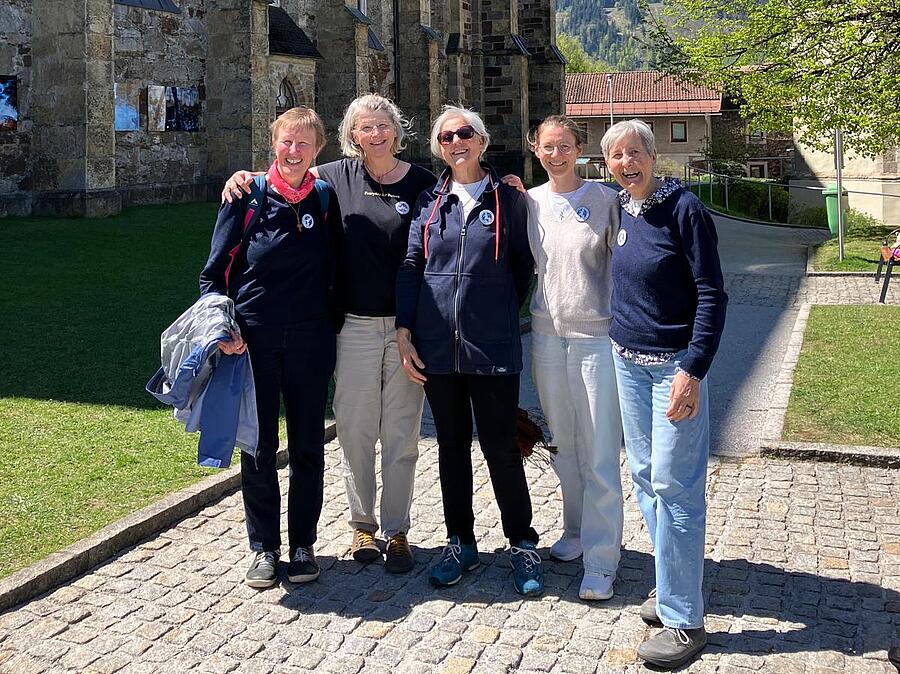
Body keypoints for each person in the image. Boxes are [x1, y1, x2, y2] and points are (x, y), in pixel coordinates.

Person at [222, 94, 435, 573]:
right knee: (355, 431)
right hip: (350, 325)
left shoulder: (424, 183)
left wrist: (506, 184)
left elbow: (463, 195)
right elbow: (287, 171)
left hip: (405, 327)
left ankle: (396, 531)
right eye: (365, 127)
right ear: (351, 136)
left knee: (400, 433)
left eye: (383, 126)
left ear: (397, 130)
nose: (375, 134)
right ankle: (361, 526)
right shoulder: (334, 177)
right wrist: (244, 178)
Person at [395, 105, 543, 596]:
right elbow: (413, 265)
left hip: (491, 346)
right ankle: (461, 541)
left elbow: (523, 267)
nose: (455, 143)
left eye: (463, 134)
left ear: (481, 141)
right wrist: (404, 328)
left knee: (501, 447)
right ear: (439, 148)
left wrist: (495, 310)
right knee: (451, 448)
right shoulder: (429, 201)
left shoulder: (509, 200)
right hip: (438, 348)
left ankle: (522, 543)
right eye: (445, 137)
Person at [602, 119, 728, 669]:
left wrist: (693, 369)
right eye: (616, 156)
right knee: (647, 478)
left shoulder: (684, 210)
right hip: (627, 363)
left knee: (676, 488)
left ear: (653, 157)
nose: (627, 164)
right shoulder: (623, 209)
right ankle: (675, 585)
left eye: (635, 154)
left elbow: (712, 293)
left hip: (674, 368)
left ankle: (684, 622)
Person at [201, 106, 342, 587]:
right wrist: (224, 327)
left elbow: (336, 272)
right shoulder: (246, 196)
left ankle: (303, 545)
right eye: (287, 141)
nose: (294, 151)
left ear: (318, 150)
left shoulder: (324, 198)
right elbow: (214, 274)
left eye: (304, 144)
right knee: (258, 446)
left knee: (308, 446)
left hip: (310, 340)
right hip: (253, 341)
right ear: (273, 143)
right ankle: (263, 548)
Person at [523, 116, 624, 601]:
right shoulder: (531, 202)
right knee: (563, 443)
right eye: (548, 147)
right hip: (546, 336)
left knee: (600, 448)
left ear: (579, 149)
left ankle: (603, 559)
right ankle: (577, 531)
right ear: (535, 150)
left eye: (565, 146)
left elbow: (625, 268)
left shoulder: (606, 201)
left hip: (595, 340)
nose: (557, 154)